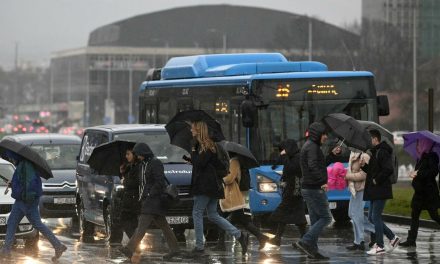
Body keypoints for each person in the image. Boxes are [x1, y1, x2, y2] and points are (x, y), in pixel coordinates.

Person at [189, 121, 249, 257]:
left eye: (192, 129)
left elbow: (200, 164)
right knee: (212, 215)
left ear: (199, 130)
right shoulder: (208, 146)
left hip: (205, 186)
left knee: (197, 213)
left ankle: (199, 246)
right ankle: (240, 235)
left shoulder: (206, 146)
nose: (191, 131)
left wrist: (193, 151)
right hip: (212, 186)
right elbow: (203, 163)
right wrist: (193, 157)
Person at [119, 142, 182, 261]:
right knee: (164, 226)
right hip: (147, 200)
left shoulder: (155, 162)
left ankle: (129, 249)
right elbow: (141, 181)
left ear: (144, 152)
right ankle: (175, 250)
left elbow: (159, 182)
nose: (138, 156)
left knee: (142, 226)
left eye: (139, 154)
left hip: (154, 200)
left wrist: (149, 193)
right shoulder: (143, 164)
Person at [0, 151, 67, 261]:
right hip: (28, 201)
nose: (10, 159)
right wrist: (13, 184)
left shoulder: (24, 166)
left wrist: (19, 193)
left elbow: (27, 186)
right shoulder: (25, 165)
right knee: (37, 225)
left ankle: (6, 251)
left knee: (13, 223)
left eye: (11, 157)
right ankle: (58, 246)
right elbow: (23, 184)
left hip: (24, 201)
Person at [214, 152, 269, 251]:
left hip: (232, 196)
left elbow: (229, 179)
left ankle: (222, 244)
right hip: (230, 196)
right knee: (241, 220)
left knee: (221, 218)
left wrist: (220, 177)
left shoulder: (234, 162)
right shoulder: (231, 161)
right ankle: (261, 237)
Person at [295, 122, 332, 260]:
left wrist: (332, 155)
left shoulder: (311, 146)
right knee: (326, 217)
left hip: (309, 187)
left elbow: (318, 164)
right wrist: (322, 182)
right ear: (318, 134)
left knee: (316, 219)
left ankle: (313, 251)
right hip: (314, 188)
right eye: (324, 134)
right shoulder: (312, 147)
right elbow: (313, 166)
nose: (326, 137)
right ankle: (305, 241)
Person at [363, 129, 400, 255]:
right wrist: (363, 166)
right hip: (375, 190)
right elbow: (373, 170)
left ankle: (380, 246)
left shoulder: (382, 151)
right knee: (371, 217)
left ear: (375, 139)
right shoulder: (376, 152)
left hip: (380, 189)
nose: (368, 141)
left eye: (370, 138)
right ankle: (392, 238)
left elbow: (388, 169)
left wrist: (376, 180)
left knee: (375, 217)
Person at [399, 138, 440, 247]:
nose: (417, 146)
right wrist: (414, 174)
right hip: (419, 192)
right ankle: (411, 240)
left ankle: (411, 240)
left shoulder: (432, 156)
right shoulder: (421, 157)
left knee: (434, 215)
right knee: (414, 214)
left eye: (419, 144)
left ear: (425, 144)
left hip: (428, 192)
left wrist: (418, 173)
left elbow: (433, 172)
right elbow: (419, 172)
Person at [269, 139, 307, 247]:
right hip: (291, 189)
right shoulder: (291, 157)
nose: (284, 151)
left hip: (294, 190)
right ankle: (303, 239)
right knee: (296, 214)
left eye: (285, 148)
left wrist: (285, 157)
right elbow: (284, 170)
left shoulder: (297, 157)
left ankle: (304, 240)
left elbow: (292, 168)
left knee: (285, 211)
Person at [345, 151, 375, 251]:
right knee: (352, 214)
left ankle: (360, 241)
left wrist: (348, 176)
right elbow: (351, 170)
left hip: (361, 189)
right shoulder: (353, 155)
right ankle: (362, 238)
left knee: (356, 214)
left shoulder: (365, 156)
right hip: (354, 189)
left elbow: (365, 174)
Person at [118, 148, 141, 239]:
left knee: (127, 220)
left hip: (134, 198)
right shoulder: (129, 166)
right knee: (130, 221)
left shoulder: (138, 166)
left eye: (128, 154)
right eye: (126, 154)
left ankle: (134, 242)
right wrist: (122, 173)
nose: (126, 156)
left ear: (134, 154)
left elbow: (135, 182)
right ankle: (134, 242)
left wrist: (124, 181)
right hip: (129, 198)